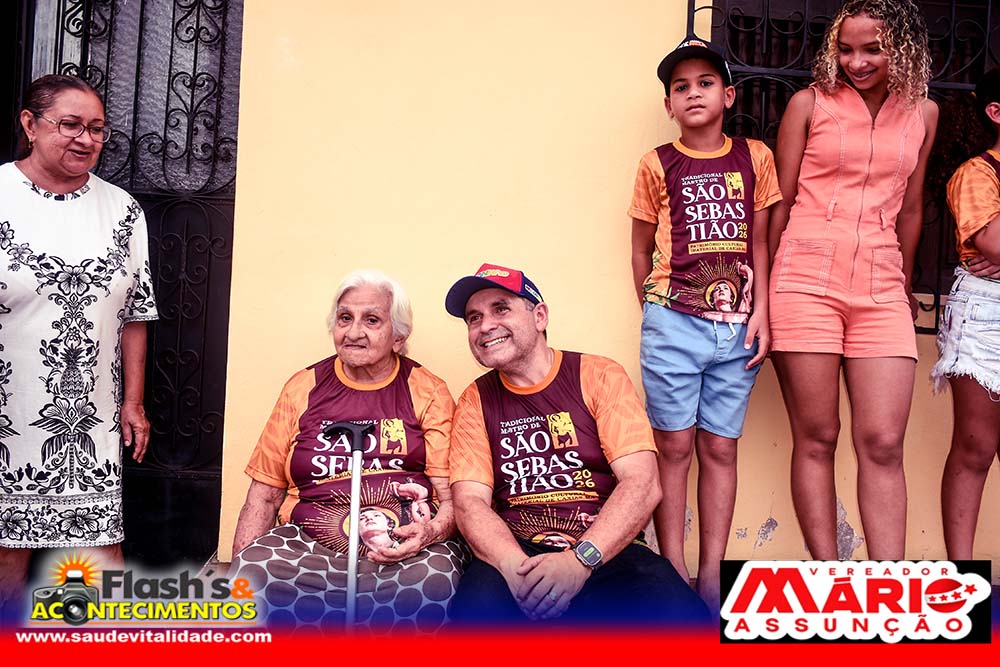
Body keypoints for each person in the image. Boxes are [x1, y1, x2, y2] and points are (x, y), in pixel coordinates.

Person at [768, 0, 938, 560]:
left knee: (884, 443)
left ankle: (888, 580)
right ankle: (829, 576)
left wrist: (902, 281)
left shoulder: (924, 112)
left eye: (872, 49)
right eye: (845, 49)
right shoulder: (809, 103)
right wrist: (760, 295)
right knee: (818, 437)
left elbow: (911, 207)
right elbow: (779, 202)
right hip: (803, 279)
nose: (856, 62)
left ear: (902, 48)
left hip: (882, 284)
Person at [445, 263, 708, 625]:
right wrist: (519, 573)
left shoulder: (599, 375)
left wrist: (579, 560)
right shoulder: (475, 399)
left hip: (605, 547)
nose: (484, 326)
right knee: (475, 618)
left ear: (539, 316)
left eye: (500, 309)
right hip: (516, 552)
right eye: (473, 318)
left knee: (682, 618)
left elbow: (642, 482)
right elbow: (469, 502)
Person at [628, 36, 781, 611]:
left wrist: (763, 311)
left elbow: (761, 242)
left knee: (720, 448)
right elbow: (640, 247)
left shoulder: (755, 156)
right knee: (674, 448)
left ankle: (713, 574)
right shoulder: (656, 163)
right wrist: (654, 310)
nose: (693, 93)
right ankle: (672, 568)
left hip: (738, 327)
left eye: (706, 83)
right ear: (669, 104)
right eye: (681, 87)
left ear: (728, 96)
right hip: (673, 323)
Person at [0, 75, 158, 620]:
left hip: (89, 417)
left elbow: (135, 314)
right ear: (30, 124)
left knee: (100, 549)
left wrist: (133, 402)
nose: (85, 139)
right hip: (9, 410)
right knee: (7, 550)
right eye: (70, 124)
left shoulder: (122, 210)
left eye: (96, 128)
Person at [230, 270, 466, 633]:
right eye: (345, 318)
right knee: (253, 573)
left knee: (434, 579)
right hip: (307, 546)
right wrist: (236, 575)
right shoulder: (303, 387)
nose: (354, 332)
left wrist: (429, 533)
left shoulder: (427, 391)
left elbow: (452, 498)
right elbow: (264, 495)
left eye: (371, 320)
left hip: (403, 547)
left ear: (398, 336)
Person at [933, 67, 1000, 560]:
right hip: (984, 311)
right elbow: (992, 242)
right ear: (997, 112)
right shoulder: (977, 173)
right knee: (976, 446)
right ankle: (962, 575)